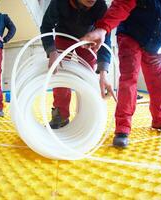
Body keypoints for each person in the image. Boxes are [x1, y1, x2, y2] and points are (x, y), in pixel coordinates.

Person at [82, 0, 161, 147]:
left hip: (152, 46)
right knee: (129, 79)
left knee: (158, 82)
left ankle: (159, 120)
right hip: (130, 37)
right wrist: (103, 28)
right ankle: (122, 128)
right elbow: (121, 5)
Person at [40, 0, 114, 129]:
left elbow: (105, 36)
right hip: (63, 37)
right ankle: (61, 115)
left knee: (88, 78)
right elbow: (46, 26)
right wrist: (51, 51)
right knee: (61, 75)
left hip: (88, 39)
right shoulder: (59, 2)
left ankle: (87, 113)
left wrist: (103, 72)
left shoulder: (100, 5)